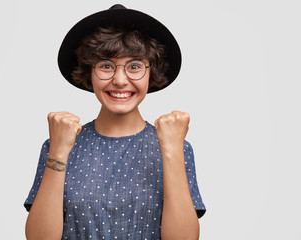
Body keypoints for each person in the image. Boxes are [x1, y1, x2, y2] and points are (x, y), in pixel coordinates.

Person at [24, 4, 206, 240]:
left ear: (152, 73)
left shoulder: (178, 147)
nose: (120, 80)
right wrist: (59, 151)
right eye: (106, 66)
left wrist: (171, 149)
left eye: (135, 66)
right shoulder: (57, 144)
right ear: (89, 72)